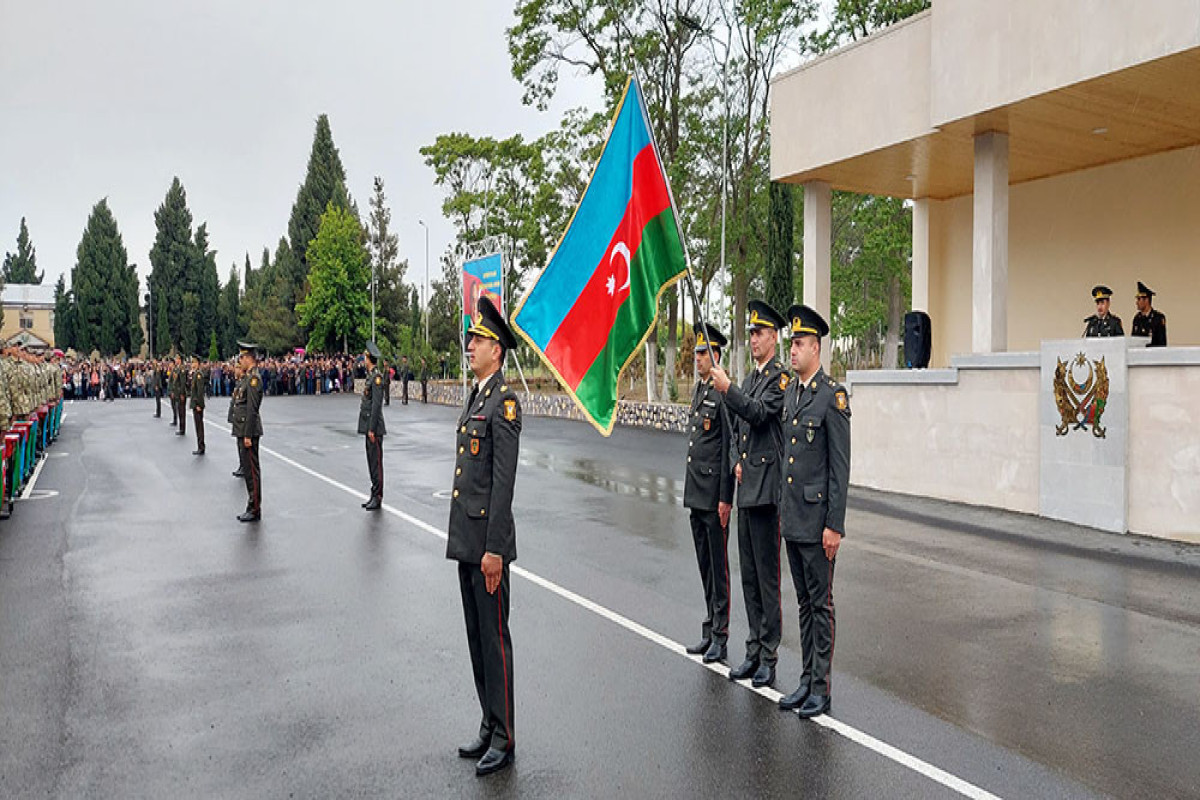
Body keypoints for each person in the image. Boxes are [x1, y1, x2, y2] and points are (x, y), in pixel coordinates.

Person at [447, 298, 522, 777]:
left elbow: (502, 482)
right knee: (476, 639)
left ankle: (506, 736)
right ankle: (488, 721)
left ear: (497, 349)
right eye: (470, 339)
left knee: (495, 641)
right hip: (467, 541)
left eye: (477, 340)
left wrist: (494, 548)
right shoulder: (477, 396)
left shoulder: (504, 403)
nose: (469, 345)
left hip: (487, 545)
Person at [776, 305, 850, 719]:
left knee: (821, 605)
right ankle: (805, 680)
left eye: (799, 343)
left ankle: (821, 687)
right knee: (804, 603)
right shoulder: (793, 392)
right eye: (792, 343)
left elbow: (840, 467)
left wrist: (834, 525)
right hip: (795, 521)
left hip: (819, 522)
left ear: (816, 348)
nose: (793, 349)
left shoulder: (832, 396)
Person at [710, 299, 788, 689]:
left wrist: (729, 389)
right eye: (752, 333)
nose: (753, 339)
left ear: (774, 337)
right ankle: (753, 647)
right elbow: (743, 428)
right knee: (750, 578)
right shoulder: (755, 375)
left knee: (768, 578)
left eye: (759, 333)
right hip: (748, 486)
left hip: (768, 491)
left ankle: (769, 655)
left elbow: (758, 413)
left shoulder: (779, 378)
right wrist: (738, 458)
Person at [683, 323, 734, 665]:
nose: (698, 358)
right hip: (695, 494)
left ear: (716, 355)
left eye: (704, 353)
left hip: (714, 495)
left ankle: (721, 636)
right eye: (697, 353)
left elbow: (729, 447)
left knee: (719, 568)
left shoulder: (721, 393)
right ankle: (708, 627)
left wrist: (725, 497)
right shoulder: (700, 391)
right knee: (704, 566)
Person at [230, 343, 264, 522]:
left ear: (249, 358)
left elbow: (252, 410)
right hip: (243, 429)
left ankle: (255, 507)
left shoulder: (253, 380)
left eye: (242, 358)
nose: (240, 361)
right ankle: (252, 504)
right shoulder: (246, 378)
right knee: (249, 472)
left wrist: (249, 435)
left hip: (248, 431)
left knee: (252, 471)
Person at [358, 341, 387, 511]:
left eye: (365, 356)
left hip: (374, 428)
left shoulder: (376, 378)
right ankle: (373, 492)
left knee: (376, 463)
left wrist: (371, 428)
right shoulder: (370, 376)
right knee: (371, 461)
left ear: (369, 358)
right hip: (368, 426)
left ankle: (378, 496)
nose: (363, 359)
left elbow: (376, 405)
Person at [1131, 281, 1167, 347]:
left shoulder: (1158, 318)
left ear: (1146, 300)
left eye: (1139, 299)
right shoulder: (1137, 319)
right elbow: (1133, 341)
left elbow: (1161, 343)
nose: (1136, 302)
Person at [229, 361, 244, 478]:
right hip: (238, 419)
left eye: (236, 368)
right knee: (239, 444)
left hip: (242, 420)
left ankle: (244, 466)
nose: (235, 371)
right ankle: (242, 465)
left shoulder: (243, 383)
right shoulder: (239, 383)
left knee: (242, 445)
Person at [190, 355, 206, 456]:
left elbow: (200, 391)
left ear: (198, 364)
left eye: (195, 363)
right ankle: (200, 446)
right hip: (195, 403)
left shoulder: (199, 375)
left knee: (199, 426)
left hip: (197, 404)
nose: (193, 364)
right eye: (192, 363)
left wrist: (198, 404)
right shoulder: (195, 374)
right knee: (197, 426)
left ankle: (201, 446)